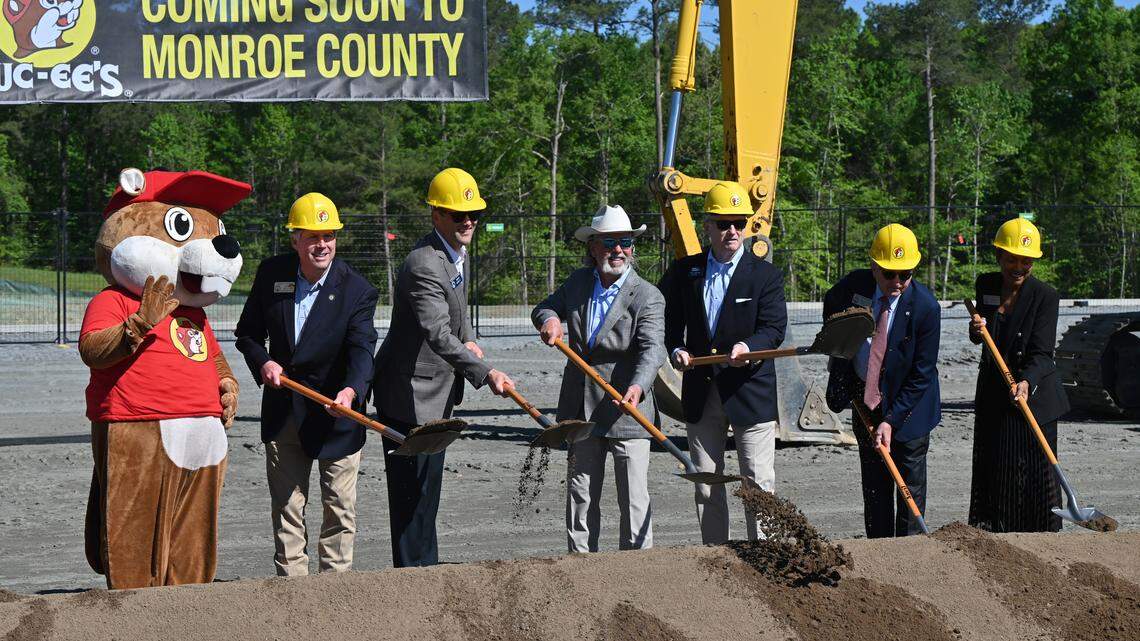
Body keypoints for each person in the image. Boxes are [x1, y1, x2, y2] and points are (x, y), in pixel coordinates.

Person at [372, 167, 515, 568]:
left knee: (427, 496)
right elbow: (436, 332)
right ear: (436, 214)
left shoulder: (453, 254)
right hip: (409, 396)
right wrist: (486, 374)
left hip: (436, 394)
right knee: (410, 500)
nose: (468, 221)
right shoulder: (423, 264)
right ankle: (411, 581)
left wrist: (469, 336)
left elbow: (458, 313)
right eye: (458, 214)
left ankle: (427, 575)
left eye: (474, 215)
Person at [235, 193, 379, 576]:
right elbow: (247, 334)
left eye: (329, 235)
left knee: (339, 511)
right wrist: (263, 361)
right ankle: (293, 591)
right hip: (285, 415)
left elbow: (363, 349)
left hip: (339, 415)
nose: (322, 245)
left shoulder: (358, 290)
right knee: (287, 508)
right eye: (312, 236)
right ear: (295, 239)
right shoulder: (272, 274)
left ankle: (334, 590)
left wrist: (351, 391)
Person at [532, 204, 667, 553]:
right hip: (580, 410)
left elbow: (653, 350)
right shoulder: (577, 283)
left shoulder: (648, 296)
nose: (617, 250)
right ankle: (581, 571)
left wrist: (637, 387)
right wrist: (548, 320)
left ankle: (637, 572)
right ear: (593, 247)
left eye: (624, 242)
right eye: (608, 243)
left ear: (633, 248)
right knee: (580, 496)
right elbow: (544, 307)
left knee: (633, 500)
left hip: (627, 409)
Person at [659, 181, 788, 544]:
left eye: (739, 222)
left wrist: (749, 345)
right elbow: (668, 323)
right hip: (701, 392)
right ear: (708, 226)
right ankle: (715, 555)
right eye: (724, 223)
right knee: (705, 479)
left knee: (757, 481)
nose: (733, 230)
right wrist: (675, 349)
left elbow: (774, 329)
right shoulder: (686, 272)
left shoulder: (766, 276)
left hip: (750, 390)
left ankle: (764, 555)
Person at [823, 223, 941, 538]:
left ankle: (910, 554)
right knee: (875, 488)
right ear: (874, 266)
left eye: (906, 274)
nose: (898, 282)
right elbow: (831, 306)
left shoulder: (926, 308)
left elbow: (922, 373)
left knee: (909, 488)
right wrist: (840, 351)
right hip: (866, 400)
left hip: (910, 409)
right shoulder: (853, 287)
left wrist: (892, 420)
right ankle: (879, 553)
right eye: (890, 274)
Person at [967, 217, 1068, 532]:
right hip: (994, 395)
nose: (1019, 266)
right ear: (999, 256)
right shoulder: (986, 285)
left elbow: (1042, 354)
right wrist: (976, 330)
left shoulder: (1045, 296)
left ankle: (1041, 535)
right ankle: (997, 531)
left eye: (1026, 260)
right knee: (997, 466)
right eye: (1012, 258)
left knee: (1034, 471)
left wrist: (1025, 382)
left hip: (1033, 394)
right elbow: (981, 337)